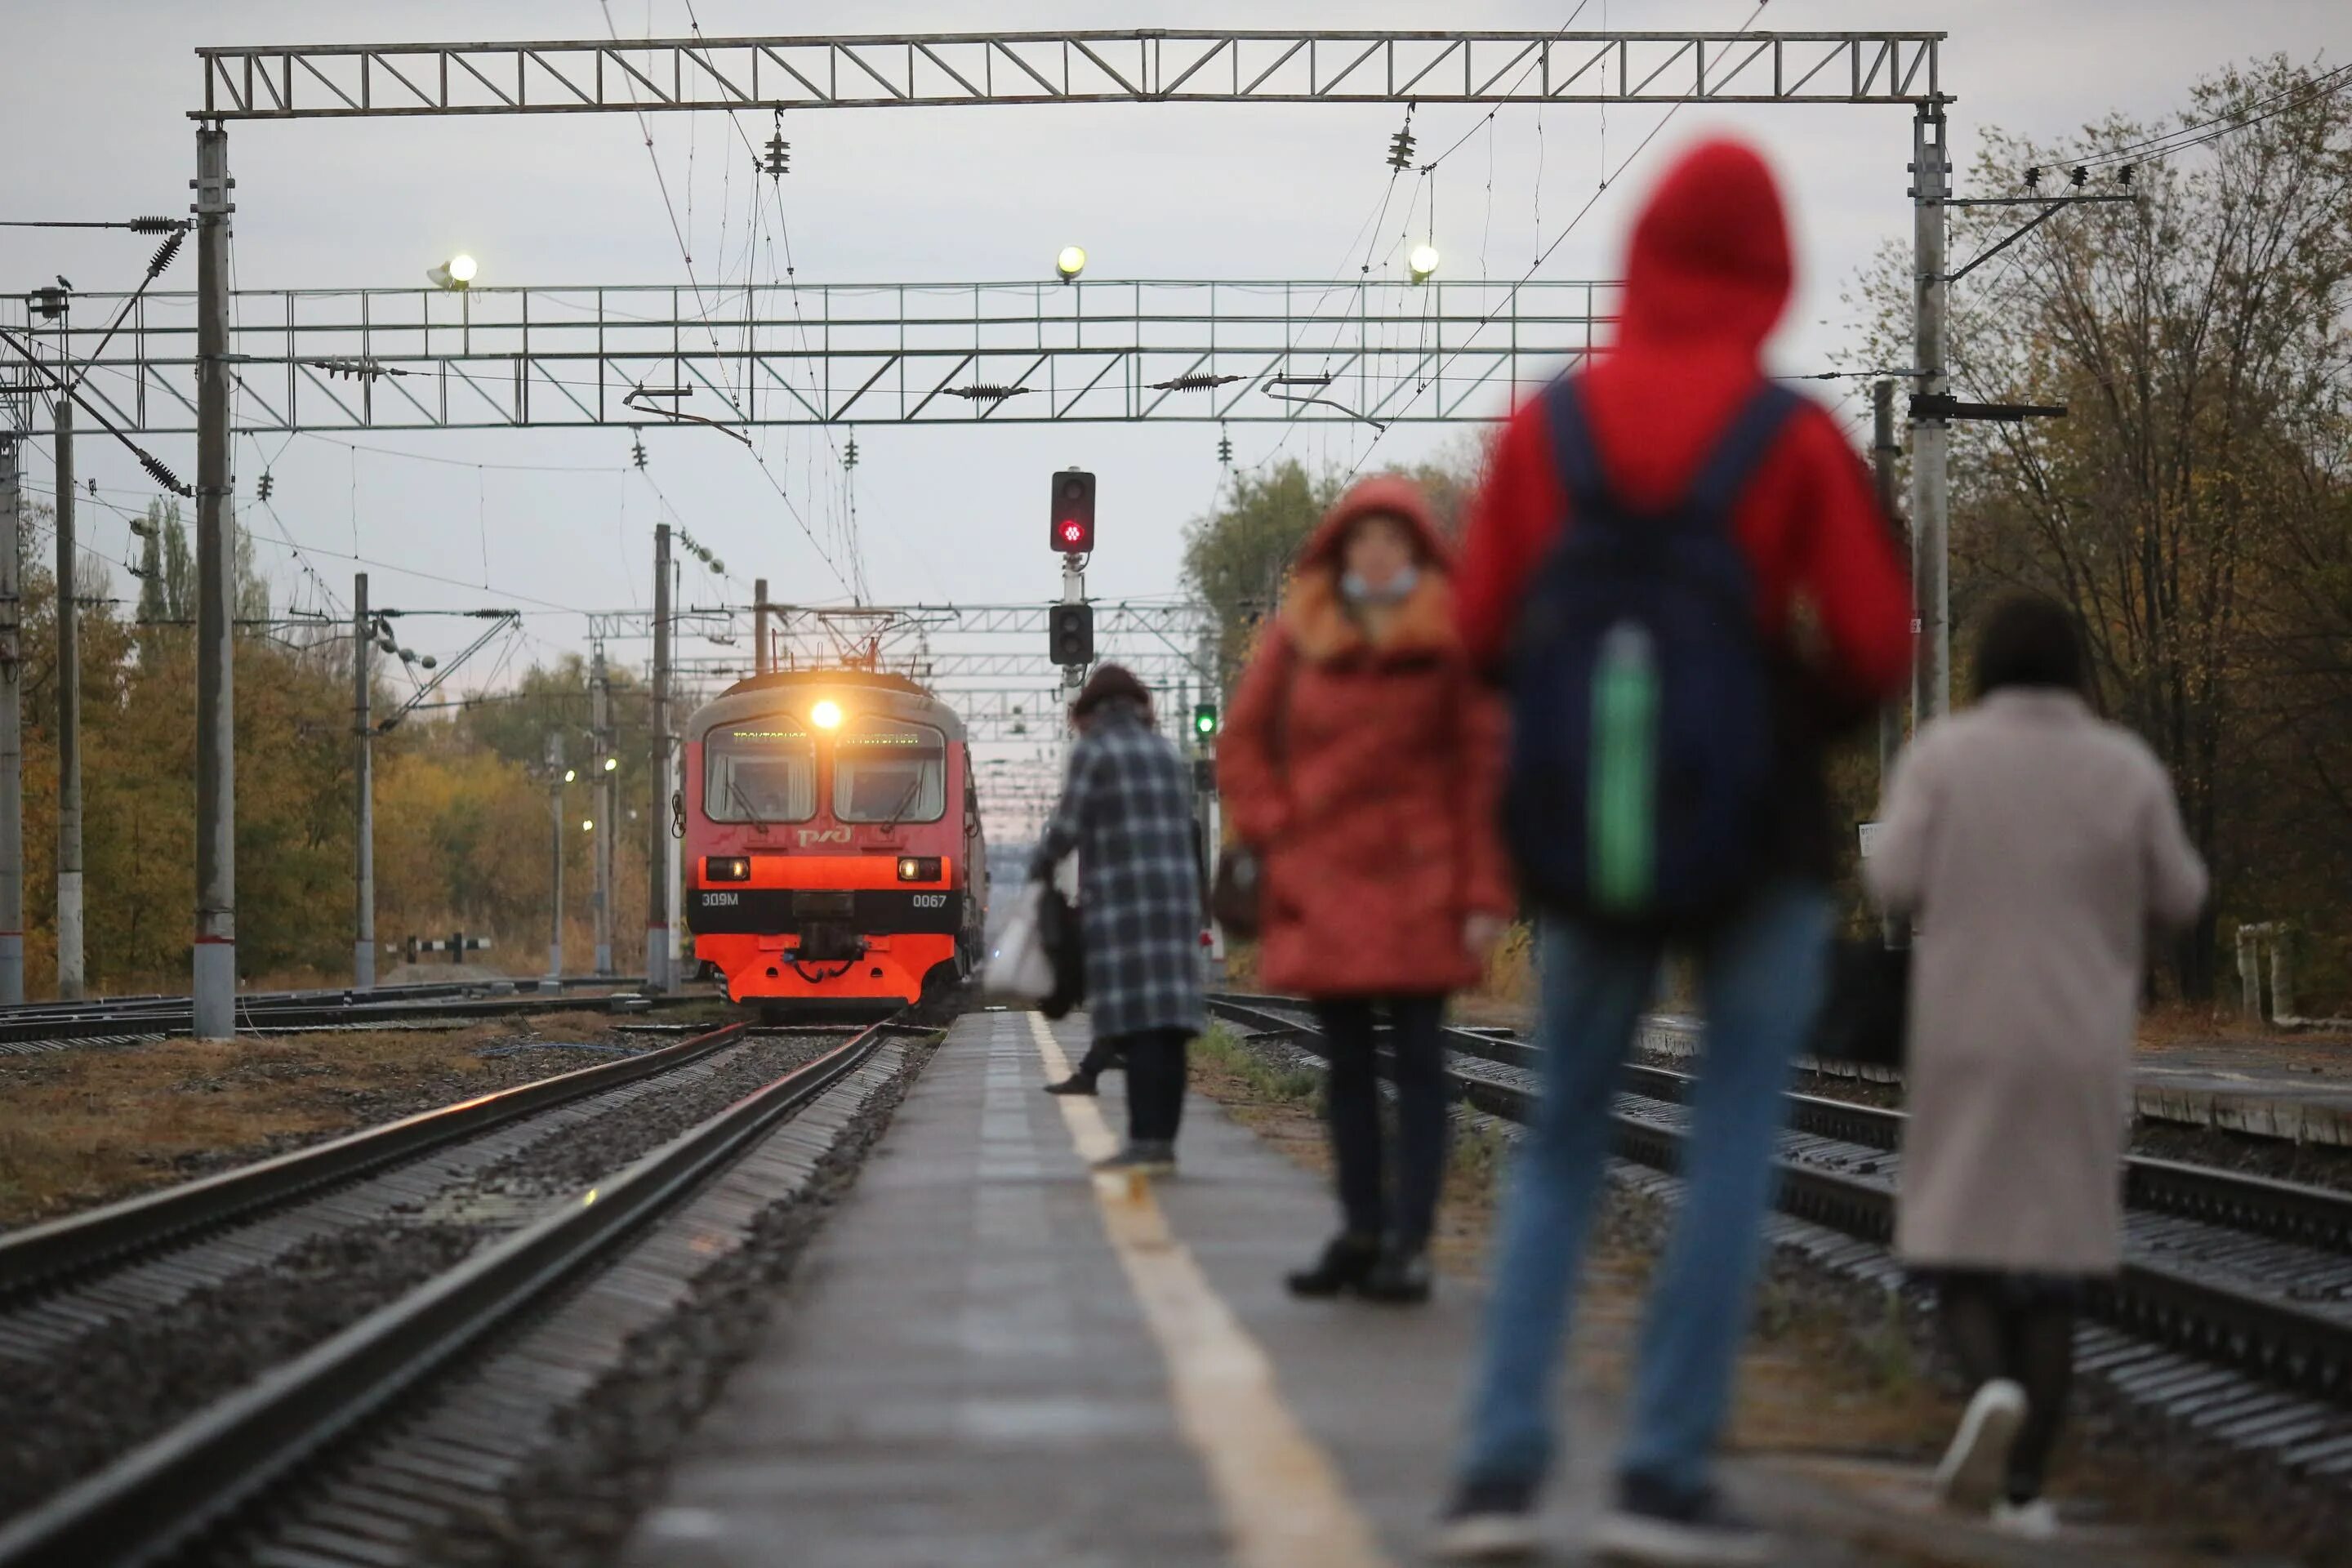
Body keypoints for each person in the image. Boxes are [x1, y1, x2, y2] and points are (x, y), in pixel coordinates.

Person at [1436, 136, 1914, 1564]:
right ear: (1772, 264)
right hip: (1754, 841)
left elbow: (1472, 636)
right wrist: (1787, 711)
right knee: (1728, 1144)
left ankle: (1500, 1474)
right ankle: (1659, 1478)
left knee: (1562, 1144)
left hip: (1588, 838)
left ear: (1637, 253)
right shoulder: (1793, 438)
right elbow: (1882, 643)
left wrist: (1574, 723)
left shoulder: (1549, 430)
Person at [1865, 594, 2205, 1535]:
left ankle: (1988, 1396)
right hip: (2078, 1041)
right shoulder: (2123, 766)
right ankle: (2025, 1494)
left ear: (1986, 670)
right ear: (2076, 670)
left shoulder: (1945, 755)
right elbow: (2182, 891)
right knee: (2054, 1262)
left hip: (1966, 1032)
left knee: (1963, 1245)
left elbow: (1890, 875)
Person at [1218, 476, 1513, 1305]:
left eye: (1394, 540)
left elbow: (1484, 770)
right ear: (1341, 551)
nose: (1378, 554)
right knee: (1345, 1063)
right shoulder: (1298, 635)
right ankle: (1358, 1228)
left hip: (1424, 882)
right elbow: (1243, 745)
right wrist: (1279, 827)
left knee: (1421, 1063)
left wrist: (1486, 890)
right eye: (1363, 539)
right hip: (1327, 880)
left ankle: (1409, 1243)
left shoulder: (1455, 638)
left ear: (1418, 553)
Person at [1030, 664, 1206, 1174]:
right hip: (1174, 904)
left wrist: (1041, 866)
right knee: (1167, 1025)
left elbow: (1068, 825)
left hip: (1126, 905)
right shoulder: (1166, 753)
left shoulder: (1095, 751)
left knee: (1136, 1021)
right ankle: (1163, 1142)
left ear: (1088, 712)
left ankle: (1144, 1141)